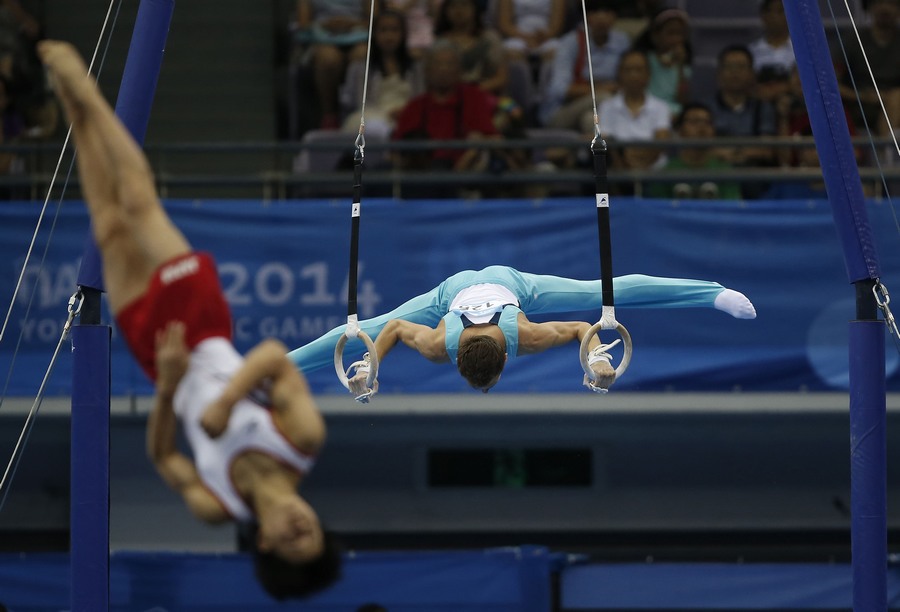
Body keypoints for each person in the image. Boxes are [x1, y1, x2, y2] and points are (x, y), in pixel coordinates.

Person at [37, 41, 340, 599]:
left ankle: (75, 115)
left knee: (107, 226)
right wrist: (226, 403)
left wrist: (172, 385)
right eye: (314, 533)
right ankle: (86, 92)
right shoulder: (302, 439)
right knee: (137, 204)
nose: (301, 528)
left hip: (163, 361)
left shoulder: (216, 505)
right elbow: (273, 354)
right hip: (202, 326)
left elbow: (164, 456)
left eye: (294, 542)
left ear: (266, 545)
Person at [287, 266, 757, 394]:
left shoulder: (523, 339)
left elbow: (579, 329)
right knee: (358, 330)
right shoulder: (437, 346)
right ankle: (713, 293)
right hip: (482, 288)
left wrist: (598, 360)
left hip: (497, 290)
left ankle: (712, 294)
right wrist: (370, 365)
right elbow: (389, 330)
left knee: (604, 292)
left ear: (505, 359)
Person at [539, 0, 630, 132]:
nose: (601, 17)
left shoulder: (622, 42)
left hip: (600, 109)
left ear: (615, 17)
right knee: (603, 98)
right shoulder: (570, 43)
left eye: (607, 12)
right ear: (586, 16)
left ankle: (607, 152)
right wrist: (601, 89)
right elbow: (559, 89)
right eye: (595, 12)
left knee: (589, 119)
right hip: (562, 111)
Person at [646, 102, 741, 200]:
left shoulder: (725, 171)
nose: (702, 128)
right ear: (680, 130)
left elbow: (732, 209)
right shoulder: (666, 172)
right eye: (694, 122)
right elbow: (659, 211)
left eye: (707, 122)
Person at [631, 8, 692, 116]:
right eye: (671, 33)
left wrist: (681, 67)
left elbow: (681, 99)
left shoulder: (683, 65)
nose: (676, 39)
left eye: (679, 33)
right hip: (647, 109)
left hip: (674, 112)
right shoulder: (645, 60)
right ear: (655, 36)